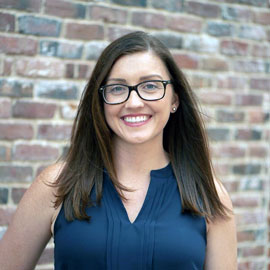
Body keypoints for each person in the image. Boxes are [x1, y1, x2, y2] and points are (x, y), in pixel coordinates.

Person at [0, 31, 237, 269]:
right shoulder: (57, 185)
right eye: (117, 89)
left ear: (174, 99)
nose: (133, 102)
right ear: (100, 101)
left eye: (151, 86)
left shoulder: (210, 195)